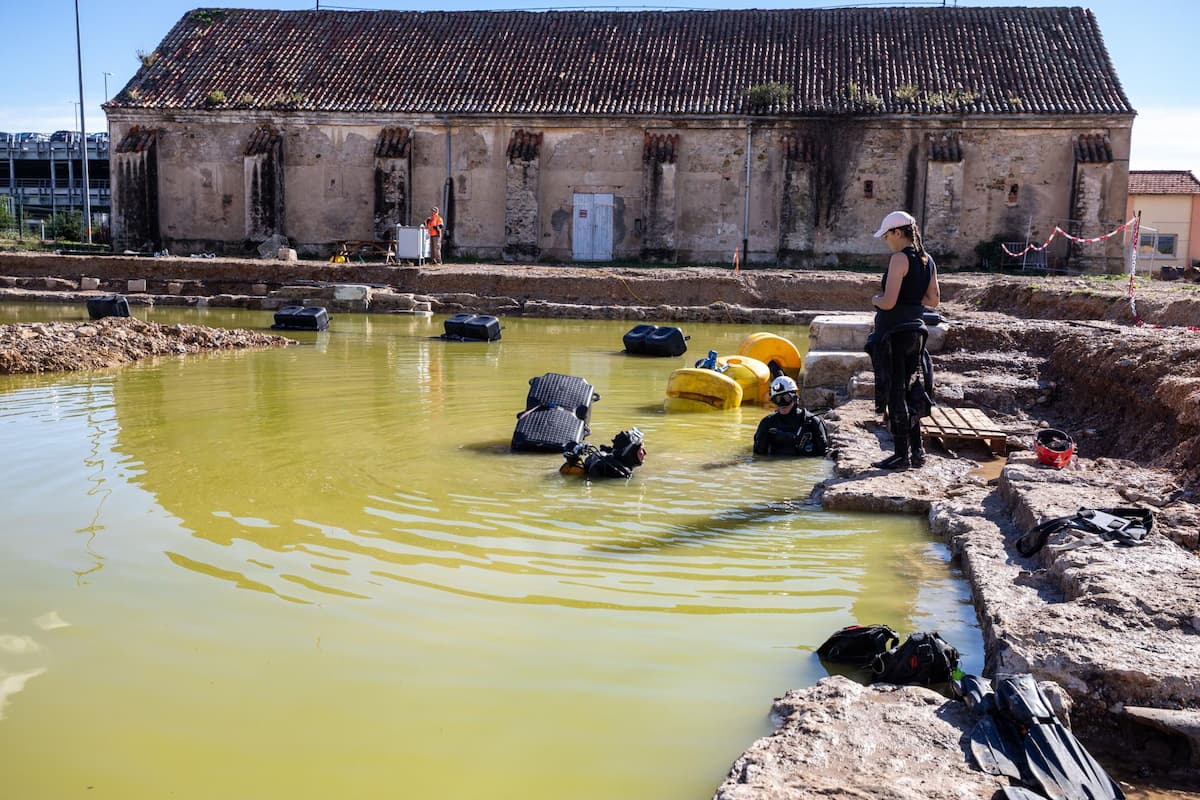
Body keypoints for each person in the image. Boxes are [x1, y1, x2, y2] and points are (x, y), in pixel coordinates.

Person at [866, 210, 940, 470]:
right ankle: (917, 451)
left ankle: (901, 455)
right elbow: (933, 300)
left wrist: (875, 299)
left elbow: (887, 301)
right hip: (917, 333)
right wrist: (910, 302)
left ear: (898, 233)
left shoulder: (899, 259)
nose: (886, 240)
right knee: (911, 389)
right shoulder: (926, 259)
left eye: (887, 235)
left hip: (894, 334)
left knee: (895, 392)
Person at [753, 375, 829, 457]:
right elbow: (758, 456)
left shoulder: (813, 422)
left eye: (786, 398)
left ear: (795, 397)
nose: (782, 403)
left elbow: (824, 455)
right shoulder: (767, 423)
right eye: (777, 399)